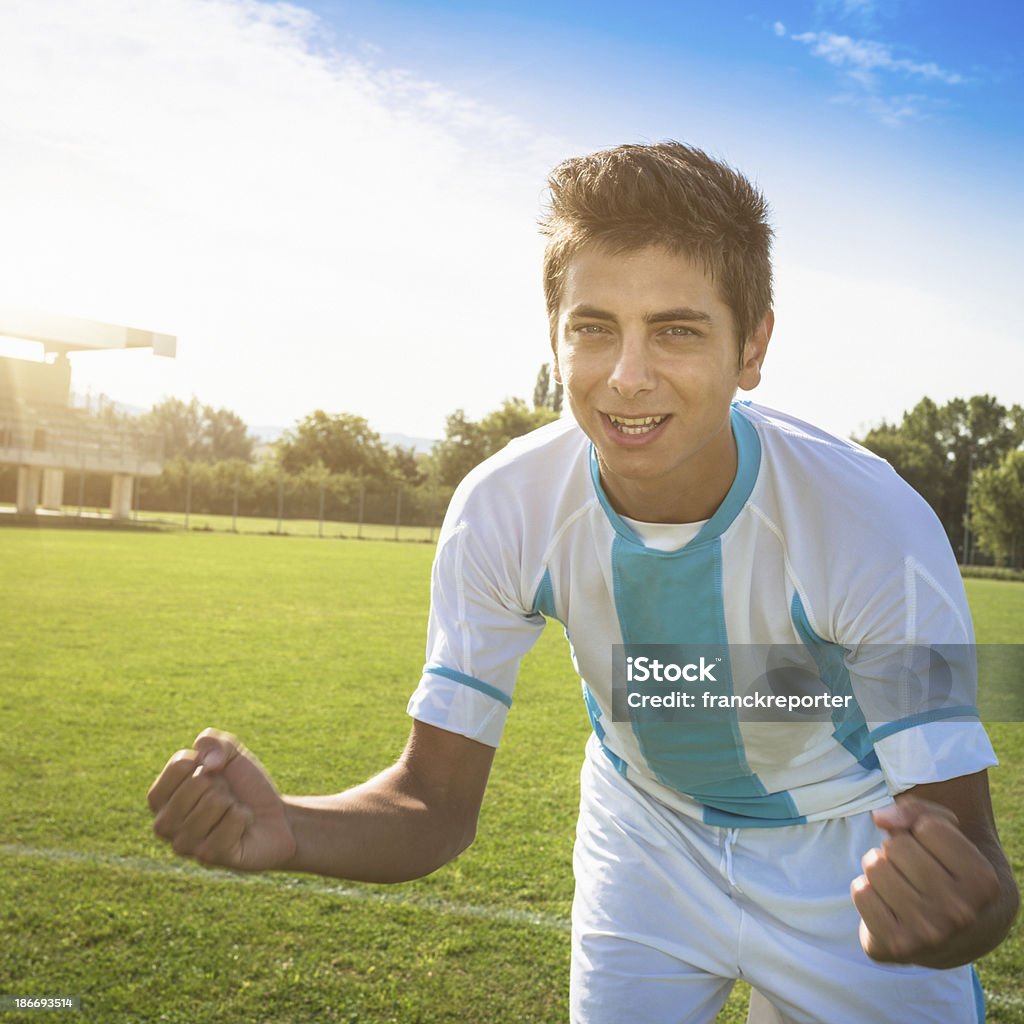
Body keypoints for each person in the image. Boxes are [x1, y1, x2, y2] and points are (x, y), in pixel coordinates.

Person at [148, 142, 1018, 1023]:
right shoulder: (505, 508)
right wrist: (292, 827)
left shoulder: (874, 525)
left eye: (677, 329)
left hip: (852, 850)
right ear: (554, 338)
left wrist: (957, 915)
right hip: (644, 834)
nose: (627, 376)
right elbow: (432, 803)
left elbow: (975, 864)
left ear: (751, 346)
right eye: (594, 326)